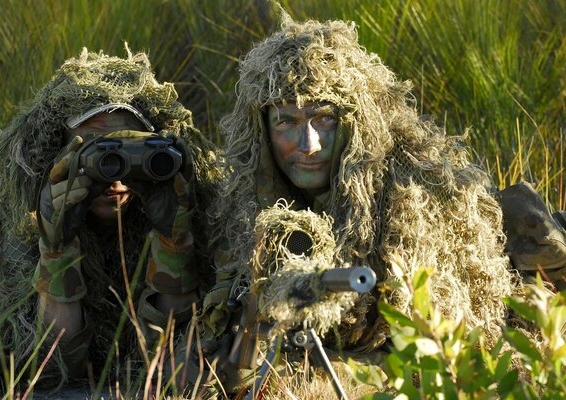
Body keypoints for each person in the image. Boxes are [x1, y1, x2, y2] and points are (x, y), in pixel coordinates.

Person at [188, 14, 516, 395]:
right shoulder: (242, 205)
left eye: (324, 118)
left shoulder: (415, 203)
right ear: (261, 129)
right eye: (286, 122)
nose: (308, 145)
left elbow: (441, 361)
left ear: (355, 123)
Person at [0, 47, 219, 389]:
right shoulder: (13, 221)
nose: (114, 178)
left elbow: (170, 363)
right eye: (98, 153)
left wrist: (175, 241)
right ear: (58, 153)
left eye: (130, 152)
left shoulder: (192, 207)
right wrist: (56, 249)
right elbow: (51, 371)